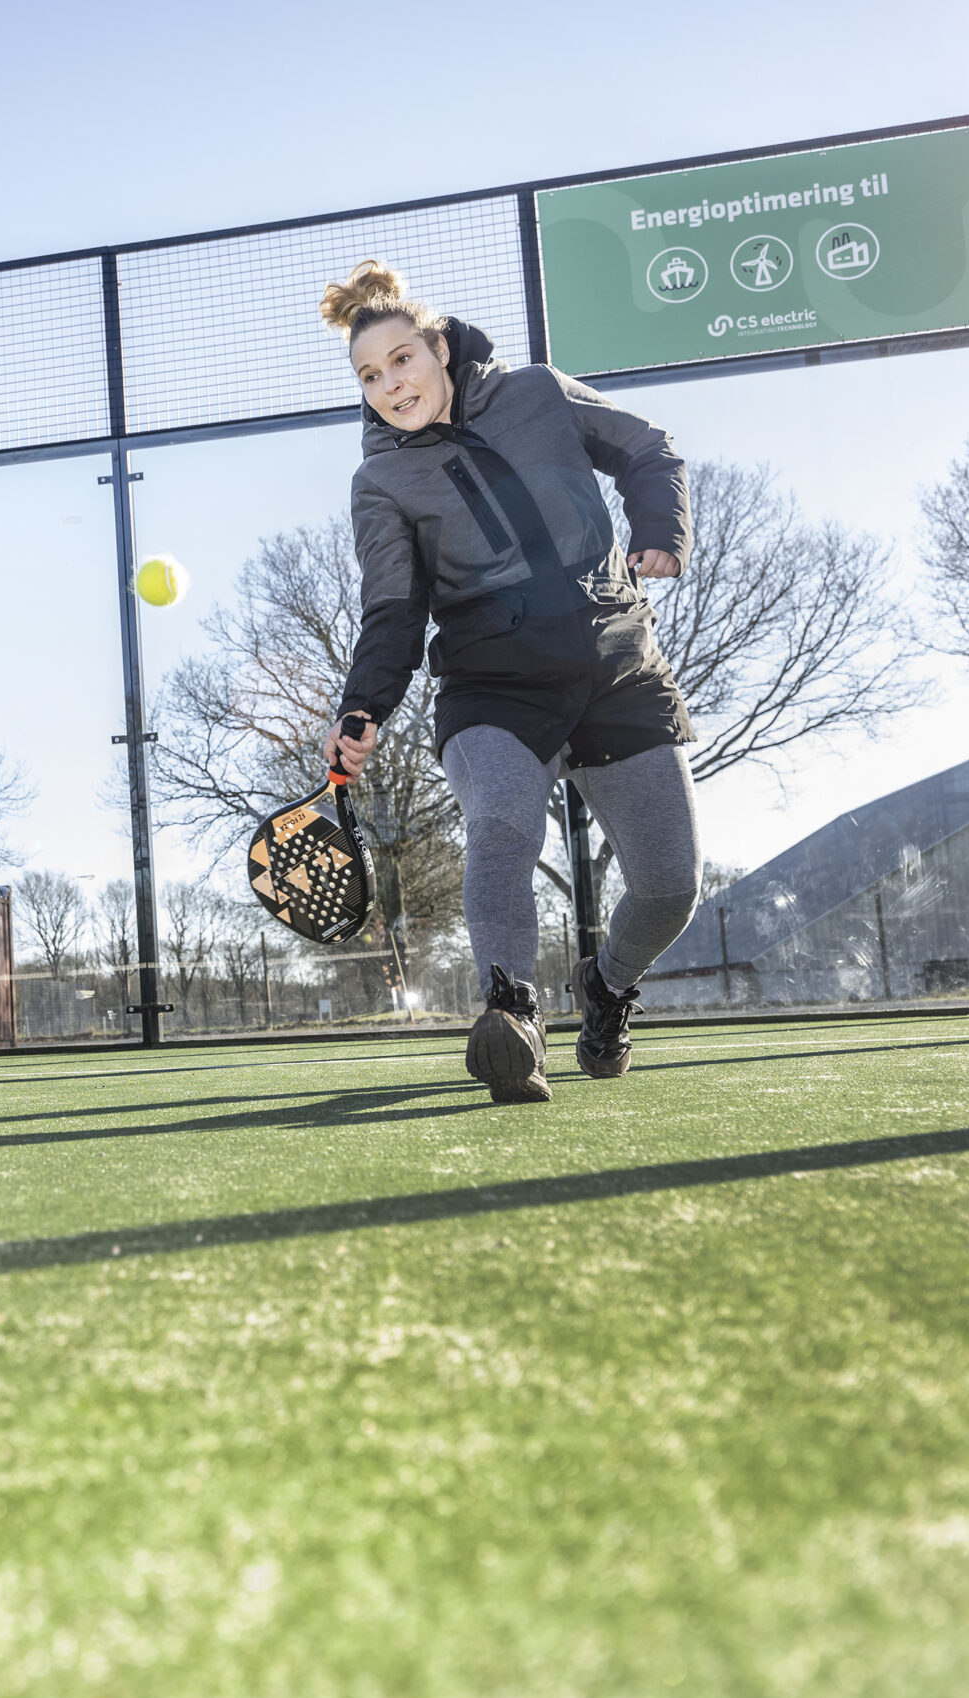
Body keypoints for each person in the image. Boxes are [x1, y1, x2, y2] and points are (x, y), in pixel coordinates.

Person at [317, 261, 702, 1103]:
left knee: (672, 886)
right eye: (369, 376)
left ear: (439, 347)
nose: (390, 385)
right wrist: (365, 703)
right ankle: (512, 1016)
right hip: (492, 686)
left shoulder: (537, 393)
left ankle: (607, 987)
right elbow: (393, 607)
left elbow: (648, 447)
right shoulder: (380, 481)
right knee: (500, 820)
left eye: (401, 360)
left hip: (616, 666)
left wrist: (659, 528)